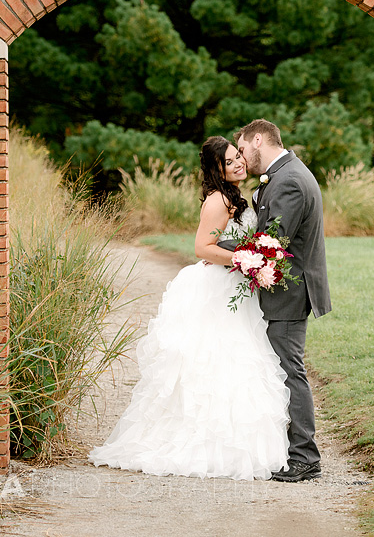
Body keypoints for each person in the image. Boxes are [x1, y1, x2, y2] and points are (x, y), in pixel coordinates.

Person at [90, 136, 290, 481]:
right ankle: (205, 445)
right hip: (217, 287)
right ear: (217, 169)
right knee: (213, 363)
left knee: (237, 362)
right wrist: (246, 260)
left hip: (235, 288)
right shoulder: (217, 200)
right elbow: (201, 247)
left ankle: (236, 444)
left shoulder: (236, 196)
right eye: (230, 161)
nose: (239, 163)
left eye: (238, 157)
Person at [231, 119, 331, 483]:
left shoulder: (288, 179)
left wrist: (222, 250)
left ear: (259, 139)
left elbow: (272, 244)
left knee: (290, 371)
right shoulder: (286, 173)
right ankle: (291, 450)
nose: (242, 157)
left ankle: (305, 457)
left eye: (242, 148)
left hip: (289, 292)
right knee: (282, 369)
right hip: (286, 291)